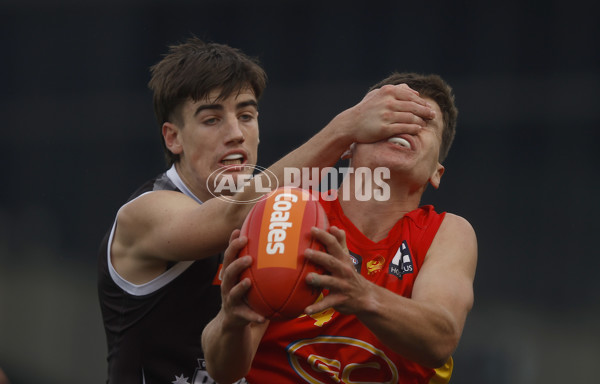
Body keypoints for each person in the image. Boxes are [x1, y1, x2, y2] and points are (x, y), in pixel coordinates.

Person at [97, 37, 436, 384]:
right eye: (211, 120)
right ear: (173, 138)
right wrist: (343, 129)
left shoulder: (272, 219)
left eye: (246, 115)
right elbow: (230, 214)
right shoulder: (143, 214)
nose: (235, 134)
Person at [202, 72, 478, 384]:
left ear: (436, 173)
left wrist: (362, 295)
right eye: (392, 117)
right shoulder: (289, 212)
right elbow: (223, 371)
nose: (406, 125)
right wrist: (232, 322)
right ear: (349, 146)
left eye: (423, 121)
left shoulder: (448, 232)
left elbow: (440, 339)